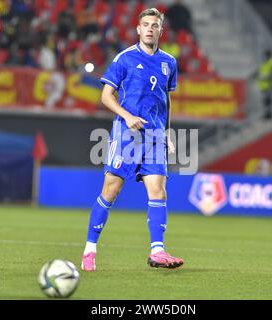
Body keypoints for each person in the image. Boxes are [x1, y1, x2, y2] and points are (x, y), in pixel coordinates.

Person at [81, 8, 183, 271]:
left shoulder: (169, 62)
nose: (150, 29)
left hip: (154, 137)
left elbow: (166, 100)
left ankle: (157, 251)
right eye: (145, 25)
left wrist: (168, 133)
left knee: (158, 190)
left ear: (161, 31)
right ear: (138, 29)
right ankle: (90, 249)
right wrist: (126, 116)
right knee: (110, 192)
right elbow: (106, 96)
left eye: (155, 25)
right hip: (126, 136)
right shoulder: (124, 59)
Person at [256, 49, 272, 120]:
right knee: (265, 101)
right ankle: (266, 114)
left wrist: (265, 77)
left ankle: (269, 115)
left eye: (265, 55)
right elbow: (259, 71)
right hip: (264, 85)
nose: (264, 57)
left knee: (269, 100)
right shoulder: (264, 63)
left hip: (270, 84)